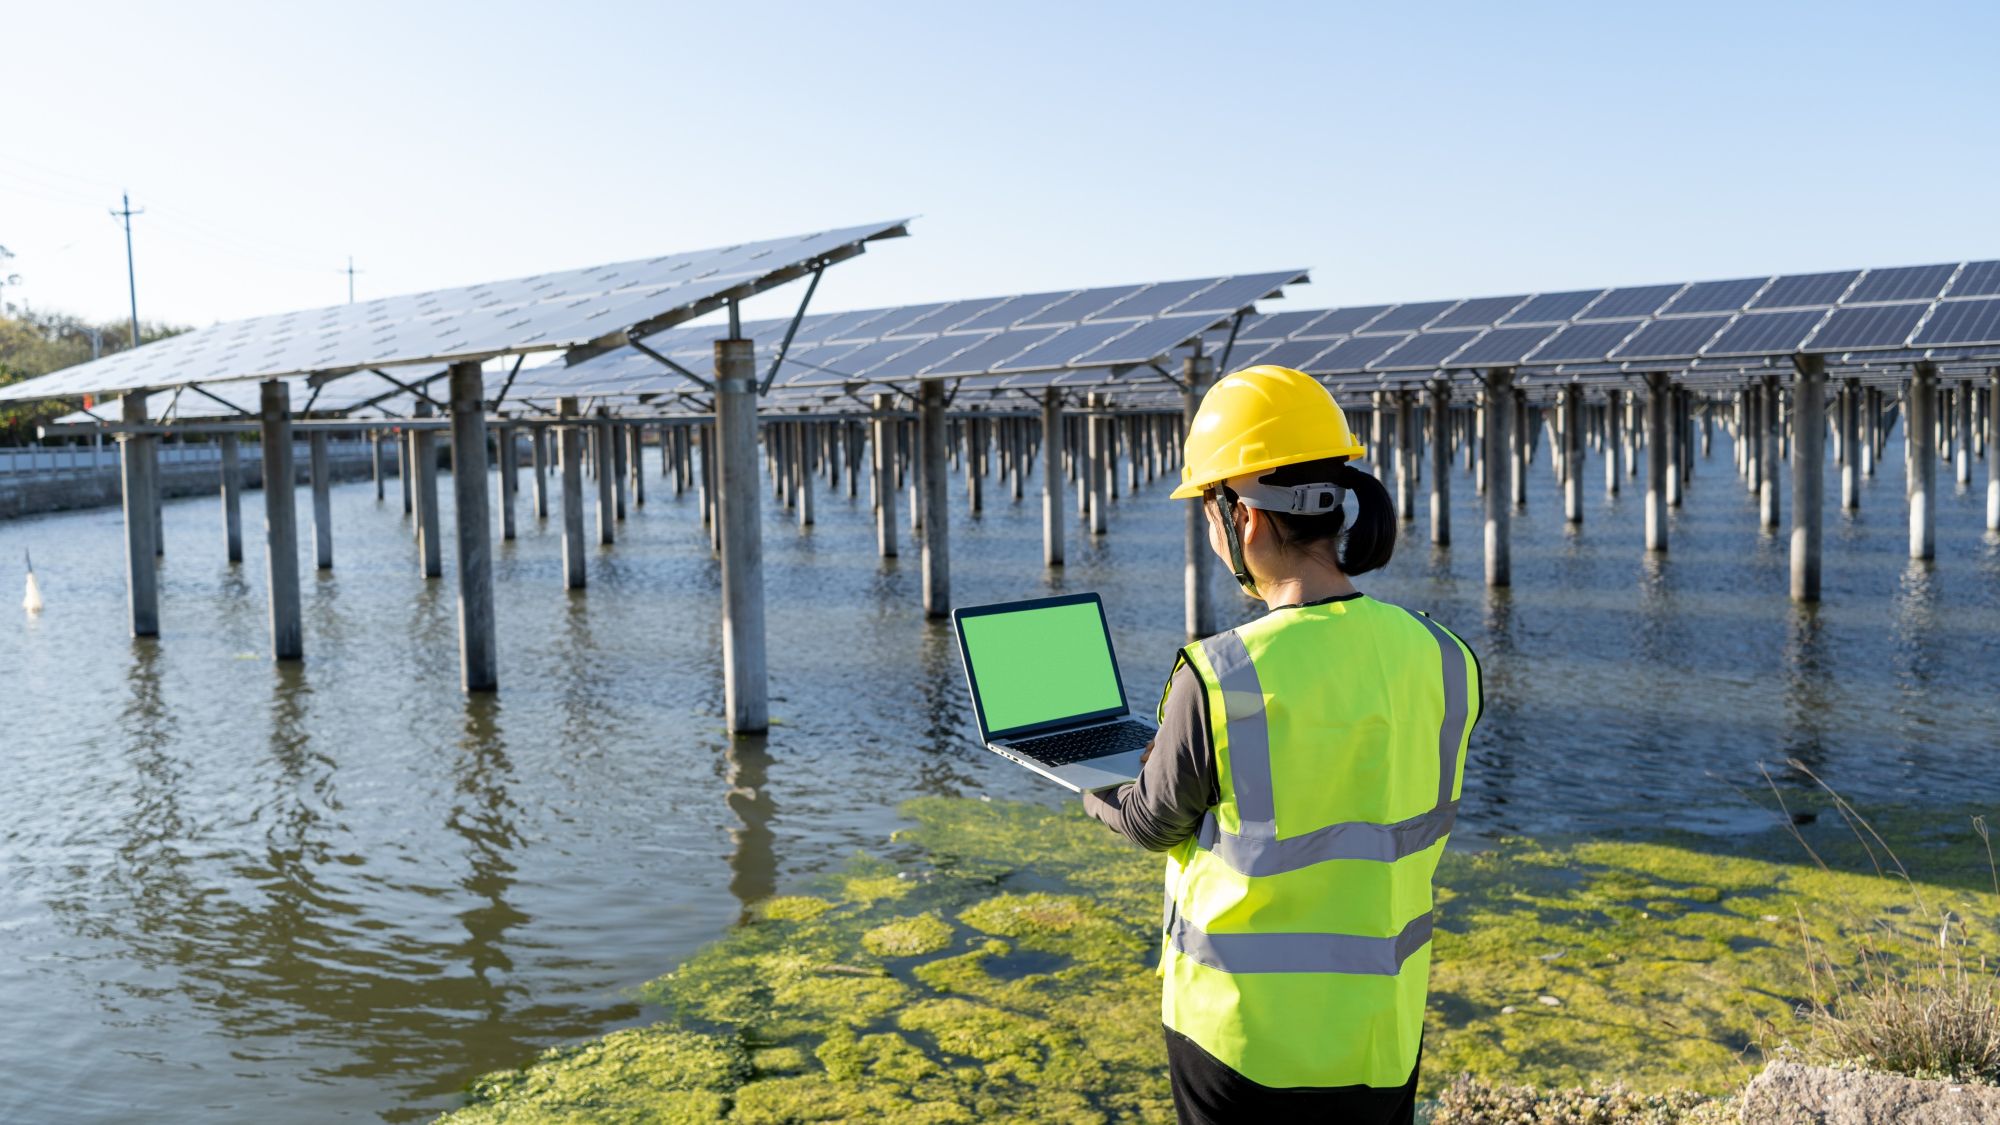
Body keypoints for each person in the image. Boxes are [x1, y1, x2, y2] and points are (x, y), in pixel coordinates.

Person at [1082, 365, 1481, 1125]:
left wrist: (1085, 774)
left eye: (1208, 504)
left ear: (1249, 517)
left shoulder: (1220, 674)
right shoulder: (1445, 657)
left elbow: (1152, 820)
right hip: (1381, 1028)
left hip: (1241, 1035)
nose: (1208, 523)